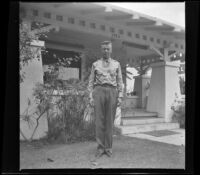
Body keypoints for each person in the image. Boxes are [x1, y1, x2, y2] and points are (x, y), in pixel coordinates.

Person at [88, 41, 123, 158]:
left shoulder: (117, 64)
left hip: (112, 92)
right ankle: (100, 148)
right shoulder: (95, 64)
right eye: (104, 49)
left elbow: (120, 81)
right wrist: (90, 96)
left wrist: (120, 96)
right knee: (99, 121)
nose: (106, 51)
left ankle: (108, 148)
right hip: (99, 91)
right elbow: (90, 81)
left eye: (108, 49)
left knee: (109, 121)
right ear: (101, 50)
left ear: (111, 50)